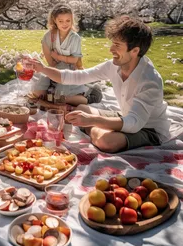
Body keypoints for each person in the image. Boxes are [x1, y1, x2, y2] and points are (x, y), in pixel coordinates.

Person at [28, 16, 171, 153]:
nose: (111, 49)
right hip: (125, 115)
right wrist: (42, 69)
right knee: (83, 108)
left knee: (107, 141)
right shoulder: (113, 66)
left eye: (117, 45)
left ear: (135, 51)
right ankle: (96, 128)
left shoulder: (149, 81)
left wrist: (91, 120)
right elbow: (77, 76)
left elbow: (133, 123)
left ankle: (93, 129)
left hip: (148, 129)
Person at [31, 5, 102, 106]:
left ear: (72, 20)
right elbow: (51, 62)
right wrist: (54, 69)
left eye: (68, 21)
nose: (65, 24)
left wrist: (59, 57)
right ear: (54, 20)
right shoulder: (48, 36)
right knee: (38, 94)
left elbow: (74, 60)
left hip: (69, 71)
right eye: (61, 21)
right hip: (53, 68)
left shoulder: (75, 38)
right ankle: (53, 89)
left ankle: (92, 96)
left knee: (60, 98)